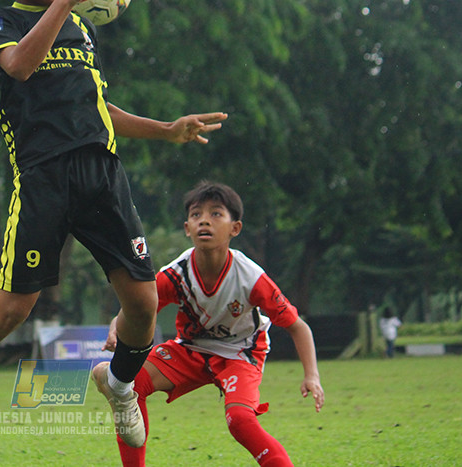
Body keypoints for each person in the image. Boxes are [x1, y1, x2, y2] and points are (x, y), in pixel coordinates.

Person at [0, 0, 228, 466]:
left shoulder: (81, 27)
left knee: (141, 302)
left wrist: (165, 129)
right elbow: (18, 67)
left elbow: (96, 106)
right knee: (13, 308)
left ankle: (119, 381)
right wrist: (65, 1)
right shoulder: (2, 21)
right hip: (43, 177)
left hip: (101, 175)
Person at [100, 180, 324, 467]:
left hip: (240, 353)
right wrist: (115, 326)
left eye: (216, 214)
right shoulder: (177, 273)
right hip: (190, 349)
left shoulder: (251, 278)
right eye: (196, 215)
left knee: (240, 421)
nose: (204, 220)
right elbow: (138, 305)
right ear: (187, 228)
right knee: (127, 387)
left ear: (235, 228)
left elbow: (298, 326)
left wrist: (312, 376)